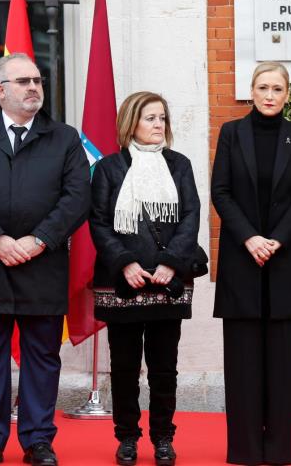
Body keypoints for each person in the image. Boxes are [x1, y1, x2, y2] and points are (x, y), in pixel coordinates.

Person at [0, 53, 91, 466]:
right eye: (23, 81)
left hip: (41, 264)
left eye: (38, 81)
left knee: (42, 356)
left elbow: (78, 196)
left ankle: (38, 440)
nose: (33, 88)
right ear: (0, 90)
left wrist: (39, 239)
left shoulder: (63, 138)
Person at [211, 61, 291, 465]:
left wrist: (276, 239)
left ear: (287, 94)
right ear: (251, 92)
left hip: (284, 260)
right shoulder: (232, 134)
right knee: (242, 363)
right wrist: (250, 237)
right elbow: (221, 192)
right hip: (242, 261)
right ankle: (245, 450)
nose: (270, 95)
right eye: (263, 87)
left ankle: (282, 450)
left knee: (285, 363)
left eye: (277, 88)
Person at [89, 91, 200, 466]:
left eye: (162, 119)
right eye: (150, 118)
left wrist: (170, 263)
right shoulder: (108, 168)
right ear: (131, 122)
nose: (158, 125)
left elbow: (190, 217)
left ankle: (163, 437)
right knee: (124, 366)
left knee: (164, 367)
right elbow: (100, 222)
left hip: (168, 283)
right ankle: (127, 438)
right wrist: (125, 263)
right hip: (123, 282)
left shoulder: (180, 165)